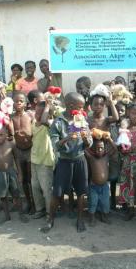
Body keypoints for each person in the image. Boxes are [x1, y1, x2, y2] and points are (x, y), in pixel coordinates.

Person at [42, 92, 93, 233]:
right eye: (80, 106)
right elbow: (55, 146)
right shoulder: (58, 122)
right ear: (71, 106)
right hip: (64, 161)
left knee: (81, 192)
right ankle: (50, 219)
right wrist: (67, 138)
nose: (82, 110)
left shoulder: (82, 120)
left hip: (79, 160)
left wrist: (86, 138)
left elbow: (89, 144)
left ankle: (80, 220)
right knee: (57, 193)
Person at [0, 127, 28, 223]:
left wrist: (20, 173)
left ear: (6, 135)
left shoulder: (11, 144)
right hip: (0, 173)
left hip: (11, 171)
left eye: (1, 135)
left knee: (16, 194)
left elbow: (16, 158)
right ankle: (7, 216)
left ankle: (21, 214)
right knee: (3, 196)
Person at [31, 98, 55, 220]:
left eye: (40, 113)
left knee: (46, 189)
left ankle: (49, 212)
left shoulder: (49, 124)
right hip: (34, 160)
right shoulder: (33, 123)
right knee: (35, 186)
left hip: (45, 161)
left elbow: (45, 118)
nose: (37, 115)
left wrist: (47, 106)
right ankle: (39, 209)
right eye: (36, 113)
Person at [12, 91, 35, 214]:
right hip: (18, 151)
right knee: (23, 179)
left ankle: (35, 202)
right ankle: (28, 202)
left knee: (32, 178)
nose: (18, 103)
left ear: (25, 103)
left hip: (30, 149)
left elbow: (36, 131)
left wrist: (29, 135)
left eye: (21, 101)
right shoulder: (11, 117)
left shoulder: (30, 115)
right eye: (16, 101)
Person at [85, 138, 117, 226]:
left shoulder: (106, 157)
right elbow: (84, 149)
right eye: (97, 148)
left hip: (105, 186)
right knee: (93, 203)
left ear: (104, 149)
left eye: (101, 148)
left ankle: (104, 217)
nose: (99, 150)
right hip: (93, 186)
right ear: (94, 150)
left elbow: (115, 148)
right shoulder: (91, 158)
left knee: (105, 202)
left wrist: (110, 139)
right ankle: (92, 218)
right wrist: (86, 138)